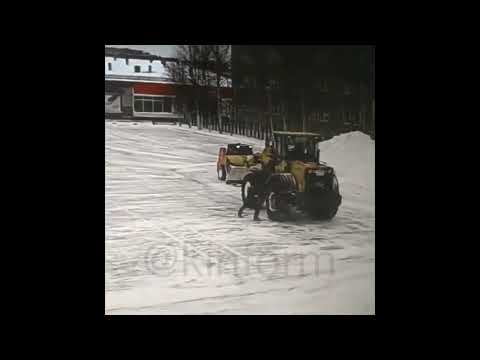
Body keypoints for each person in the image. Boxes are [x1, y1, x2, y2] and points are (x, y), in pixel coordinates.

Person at [238, 146, 277, 221]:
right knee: (257, 203)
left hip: (256, 188)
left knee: (252, 203)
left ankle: (243, 213)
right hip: (260, 188)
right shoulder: (265, 172)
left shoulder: (262, 171)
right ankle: (254, 216)